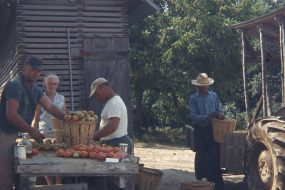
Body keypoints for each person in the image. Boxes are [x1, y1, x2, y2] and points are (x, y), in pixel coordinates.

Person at [0, 56, 66, 190]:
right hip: (5, 133)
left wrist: (67, 117)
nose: (36, 73)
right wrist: (32, 130)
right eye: (33, 70)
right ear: (25, 69)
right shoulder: (15, 85)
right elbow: (11, 115)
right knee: (5, 174)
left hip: (19, 135)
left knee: (21, 172)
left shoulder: (35, 90)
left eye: (38, 71)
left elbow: (51, 107)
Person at [189, 73, 224, 190]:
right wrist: (207, 117)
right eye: (201, 86)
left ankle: (216, 185)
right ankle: (200, 183)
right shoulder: (193, 98)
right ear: (198, 86)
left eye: (205, 85)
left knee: (214, 156)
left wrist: (219, 115)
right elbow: (193, 116)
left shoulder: (214, 96)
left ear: (208, 85)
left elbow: (220, 110)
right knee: (201, 156)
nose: (203, 87)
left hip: (212, 130)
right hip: (199, 130)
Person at [32, 73, 66, 185]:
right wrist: (32, 132)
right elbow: (36, 118)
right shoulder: (40, 97)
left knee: (59, 158)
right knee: (45, 159)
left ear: (58, 85)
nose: (52, 86)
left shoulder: (61, 98)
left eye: (55, 84)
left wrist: (66, 132)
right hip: (44, 133)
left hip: (58, 133)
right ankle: (50, 184)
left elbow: (64, 116)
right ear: (45, 84)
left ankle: (59, 183)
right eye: (50, 83)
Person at [89, 78, 133, 154]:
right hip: (114, 143)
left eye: (97, 94)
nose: (97, 98)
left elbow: (112, 126)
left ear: (103, 88)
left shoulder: (114, 102)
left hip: (117, 143)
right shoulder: (111, 101)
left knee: (120, 166)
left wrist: (93, 136)